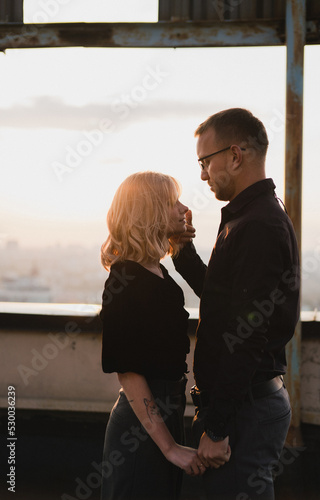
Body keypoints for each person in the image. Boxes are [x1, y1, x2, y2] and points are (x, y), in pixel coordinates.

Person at [172, 108, 301, 499]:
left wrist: (218, 428)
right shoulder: (248, 218)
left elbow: (246, 334)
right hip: (242, 406)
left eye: (204, 161)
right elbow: (224, 300)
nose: (202, 174)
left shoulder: (258, 225)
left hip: (244, 413)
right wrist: (181, 250)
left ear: (234, 155)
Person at [99, 171, 206, 500]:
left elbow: (213, 294)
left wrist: (182, 246)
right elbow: (128, 372)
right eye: (173, 202)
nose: (184, 208)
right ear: (149, 211)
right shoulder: (126, 279)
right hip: (142, 427)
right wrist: (170, 447)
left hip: (165, 414)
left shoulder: (156, 270)